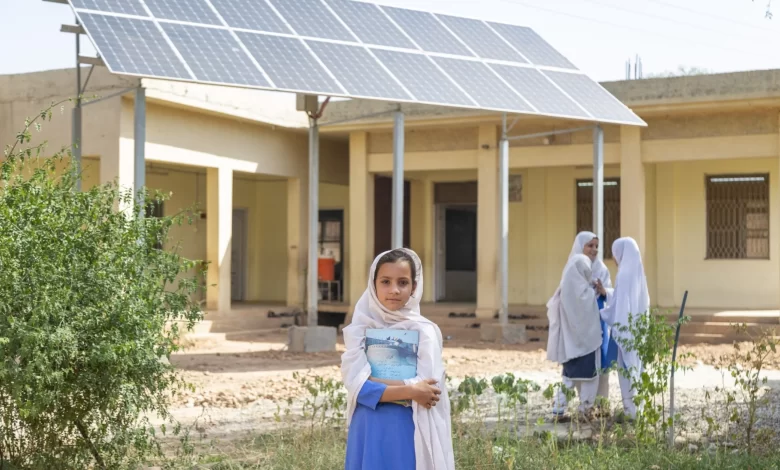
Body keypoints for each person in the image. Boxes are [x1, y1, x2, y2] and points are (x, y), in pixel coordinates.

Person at [341, 248, 455, 470]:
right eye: (385, 281)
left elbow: (429, 390)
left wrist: (374, 380)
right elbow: (358, 388)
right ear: (373, 284)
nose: (394, 290)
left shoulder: (425, 331)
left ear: (414, 286)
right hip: (369, 425)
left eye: (402, 282)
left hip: (409, 426)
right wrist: (411, 390)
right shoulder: (360, 329)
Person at [550, 232, 616, 417]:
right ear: (580, 247)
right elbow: (566, 298)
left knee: (599, 368)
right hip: (574, 329)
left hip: (597, 328)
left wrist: (603, 292)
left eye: (596, 246)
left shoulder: (601, 269)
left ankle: (600, 405)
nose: (594, 250)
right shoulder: (573, 267)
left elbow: (609, 294)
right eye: (590, 245)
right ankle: (582, 407)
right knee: (577, 368)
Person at [546, 253, 604, 419]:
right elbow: (591, 306)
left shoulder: (564, 291)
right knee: (590, 379)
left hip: (570, 344)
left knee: (568, 377)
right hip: (587, 344)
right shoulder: (587, 293)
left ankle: (558, 408)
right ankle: (585, 410)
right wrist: (598, 291)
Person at [600, 237, 650, 420]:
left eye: (614, 253)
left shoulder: (623, 275)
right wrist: (607, 293)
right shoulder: (638, 273)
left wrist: (604, 313)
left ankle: (631, 411)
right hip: (638, 330)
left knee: (626, 370)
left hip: (627, 331)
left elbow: (620, 306)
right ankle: (640, 410)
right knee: (637, 367)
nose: (614, 258)